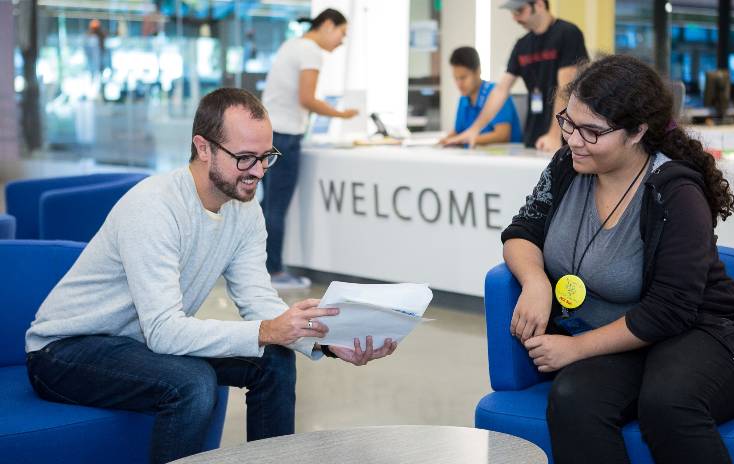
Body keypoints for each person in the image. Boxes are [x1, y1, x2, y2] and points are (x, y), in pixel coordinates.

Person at [25, 88, 396, 464]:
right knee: (193, 384)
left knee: (275, 360)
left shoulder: (244, 208)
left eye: (266, 156)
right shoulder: (154, 208)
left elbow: (258, 301)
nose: (258, 171)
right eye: (244, 158)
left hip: (139, 344)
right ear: (203, 148)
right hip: (66, 351)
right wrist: (267, 330)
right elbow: (165, 331)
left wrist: (327, 343)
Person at [501, 55, 734, 463]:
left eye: (592, 131)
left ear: (636, 132)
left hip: (702, 330)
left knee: (668, 404)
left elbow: (670, 310)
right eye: (568, 122)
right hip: (625, 340)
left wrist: (575, 349)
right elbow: (522, 231)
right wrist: (535, 280)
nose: (574, 139)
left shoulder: (674, 192)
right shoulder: (567, 166)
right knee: (573, 399)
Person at [261, 8, 357, 289]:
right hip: (286, 137)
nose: (341, 41)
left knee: (267, 204)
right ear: (328, 25)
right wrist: (342, 115)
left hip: (271, 133)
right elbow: (307, 98)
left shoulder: (291, 45)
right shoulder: (311, 51)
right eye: (342, 33)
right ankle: (275, 271)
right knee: (276, 206)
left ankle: (263, 268)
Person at [444, 0, 587, 151]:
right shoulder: (522, 45)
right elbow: (500, 90)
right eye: (512, 13)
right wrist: (474, 130)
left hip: (565, 133)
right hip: (535, 131)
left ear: (539, 5)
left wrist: (555, 134)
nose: (515, 18)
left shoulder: (568, 33)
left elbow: (566, 87)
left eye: (519, 11)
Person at [440, 46, 522, 146]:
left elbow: (502, 135)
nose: (459, 84)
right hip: (476, 156)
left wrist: (463, 140)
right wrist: (445, 141)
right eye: (456, 78)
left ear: (478, 72)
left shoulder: (495, 95)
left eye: (463, 78)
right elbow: (458, 132)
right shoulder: (464, 100)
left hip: (505, 157)